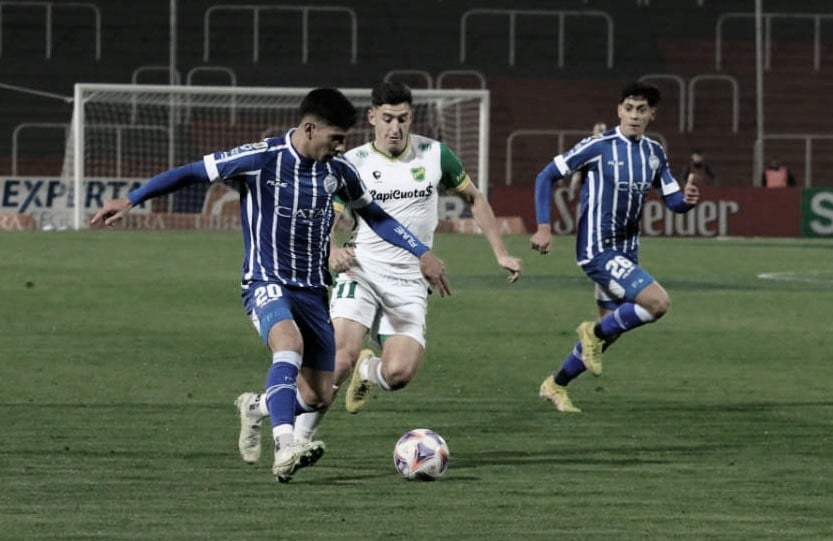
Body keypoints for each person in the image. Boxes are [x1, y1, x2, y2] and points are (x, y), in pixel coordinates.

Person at [90, 88, 450, 483]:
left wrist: (421, 252)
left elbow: (377, 217)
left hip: (313, 290)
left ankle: (255, 408)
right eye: (335, 138)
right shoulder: (261, 159)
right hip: (266, 280)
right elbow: (192, 171)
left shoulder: (339, 172)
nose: (341, 146)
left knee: (318, 395)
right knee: (287, 343)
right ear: (310, 128)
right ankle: (285, 447)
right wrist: (131, 199)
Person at [235, 80, 523, 451]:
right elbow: (326, 216)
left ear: (411, 117)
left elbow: (474, 197)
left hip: (409, 281)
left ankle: (368, 373)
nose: (395, 127)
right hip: (362, 271)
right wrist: (331, 250)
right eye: (387, 118)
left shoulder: (436, 155)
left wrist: (500, 252)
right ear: (372, 117)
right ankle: (297, 443)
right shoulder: (349, 162)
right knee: (338, 359)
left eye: (403, 118)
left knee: (399, 374)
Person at [530, 82, 700, 413]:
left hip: (627, 250)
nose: (634, 116)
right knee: (657, 303)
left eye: (641, 110)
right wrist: (543, 227)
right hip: (597, 250)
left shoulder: (654, 152)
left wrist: (688, 202)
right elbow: (545, 176)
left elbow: (673, 201)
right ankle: (590, 331)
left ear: (652, 114)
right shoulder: (598, 146)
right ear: (618, 110)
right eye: (628, 108)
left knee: (612, 331)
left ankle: (555, 384)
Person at [568, 122, 608, 198]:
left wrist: (572, 190)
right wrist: (572, 189)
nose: (601, 133)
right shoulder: (587, 147)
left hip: (605, 192)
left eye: (603, 130)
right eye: (600, 130)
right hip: (591, 191)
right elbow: (578, 172)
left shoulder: (612, 147)